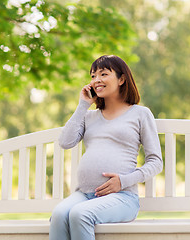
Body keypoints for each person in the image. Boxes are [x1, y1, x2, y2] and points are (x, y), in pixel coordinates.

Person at [49, 55, 163, 240]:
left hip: (123, 197)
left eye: (103, 74)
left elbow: (156, 162)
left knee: (80, 214)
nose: (96, 80)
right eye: (93, 76)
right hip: (84, 195)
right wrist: (83, 105)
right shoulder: (89, 117)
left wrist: (124, 181)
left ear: (121, 79)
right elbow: (65, 142)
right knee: (60, 214)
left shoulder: (140, 114)